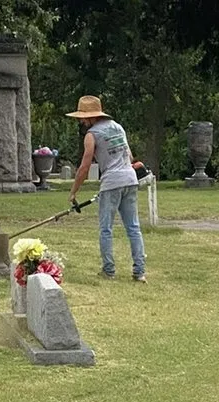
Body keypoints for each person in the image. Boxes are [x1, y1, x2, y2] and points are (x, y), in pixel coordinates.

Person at [66, 95, 147, 283]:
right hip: (130, 179)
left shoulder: (92, 134)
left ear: (90, 117)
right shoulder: (118, 127)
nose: (81, 121)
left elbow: (84, 167)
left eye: (82, 118)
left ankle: (109, 270)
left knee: (106, 229)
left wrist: (73, 192)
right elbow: (129, 155)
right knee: (133, 227)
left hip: (111, 182)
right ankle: (139, 272)